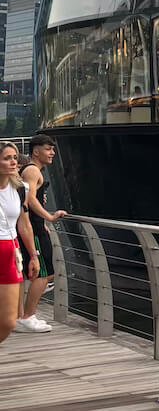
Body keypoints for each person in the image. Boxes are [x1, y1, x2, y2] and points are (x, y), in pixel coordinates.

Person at [17, 135, 66, 333]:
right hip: (33, 229)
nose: (52, 153)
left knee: (36, 273)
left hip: (35, 226)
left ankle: (21, 315)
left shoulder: (33, 170)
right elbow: (28, 200)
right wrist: (49, 217)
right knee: (43, 273)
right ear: (36, 151)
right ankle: (28, 316)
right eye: (48, 149)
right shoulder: (32, 170)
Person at [0, 141, 40, 344]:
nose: (14, 162)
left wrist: (33, 255)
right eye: (7, 158)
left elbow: (24, 224)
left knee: (8, 322)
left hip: (10, 252)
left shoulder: (19, 189)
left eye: (15, 157)